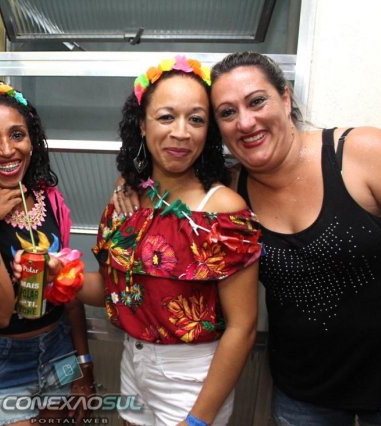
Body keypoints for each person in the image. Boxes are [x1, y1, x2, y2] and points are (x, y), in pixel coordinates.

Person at [116, 51, 381, 425]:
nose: (245, 122)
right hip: (304, 393)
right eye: (227, 112)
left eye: (257, 101)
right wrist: (129, 182)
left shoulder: (360, 153)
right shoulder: (230, 191)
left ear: (285, 98)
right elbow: (171, 179)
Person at [77, 55, 262, 426]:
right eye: (166, 117)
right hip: (133, 363)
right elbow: (113, 292)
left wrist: (198, 419)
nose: (181, 132)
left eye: (196, 119)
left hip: (192, 381)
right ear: (142, 125)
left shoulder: (221, 211)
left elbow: (243, 327)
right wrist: (60, 276)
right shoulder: (127, 201)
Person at [0, 83, 94, 425]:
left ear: (31, 142)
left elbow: (69, 292)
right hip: (0, 365)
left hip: (60, 350)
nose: (7, 150)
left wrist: (83, 364)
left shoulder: (48, 197)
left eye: (17, 135)